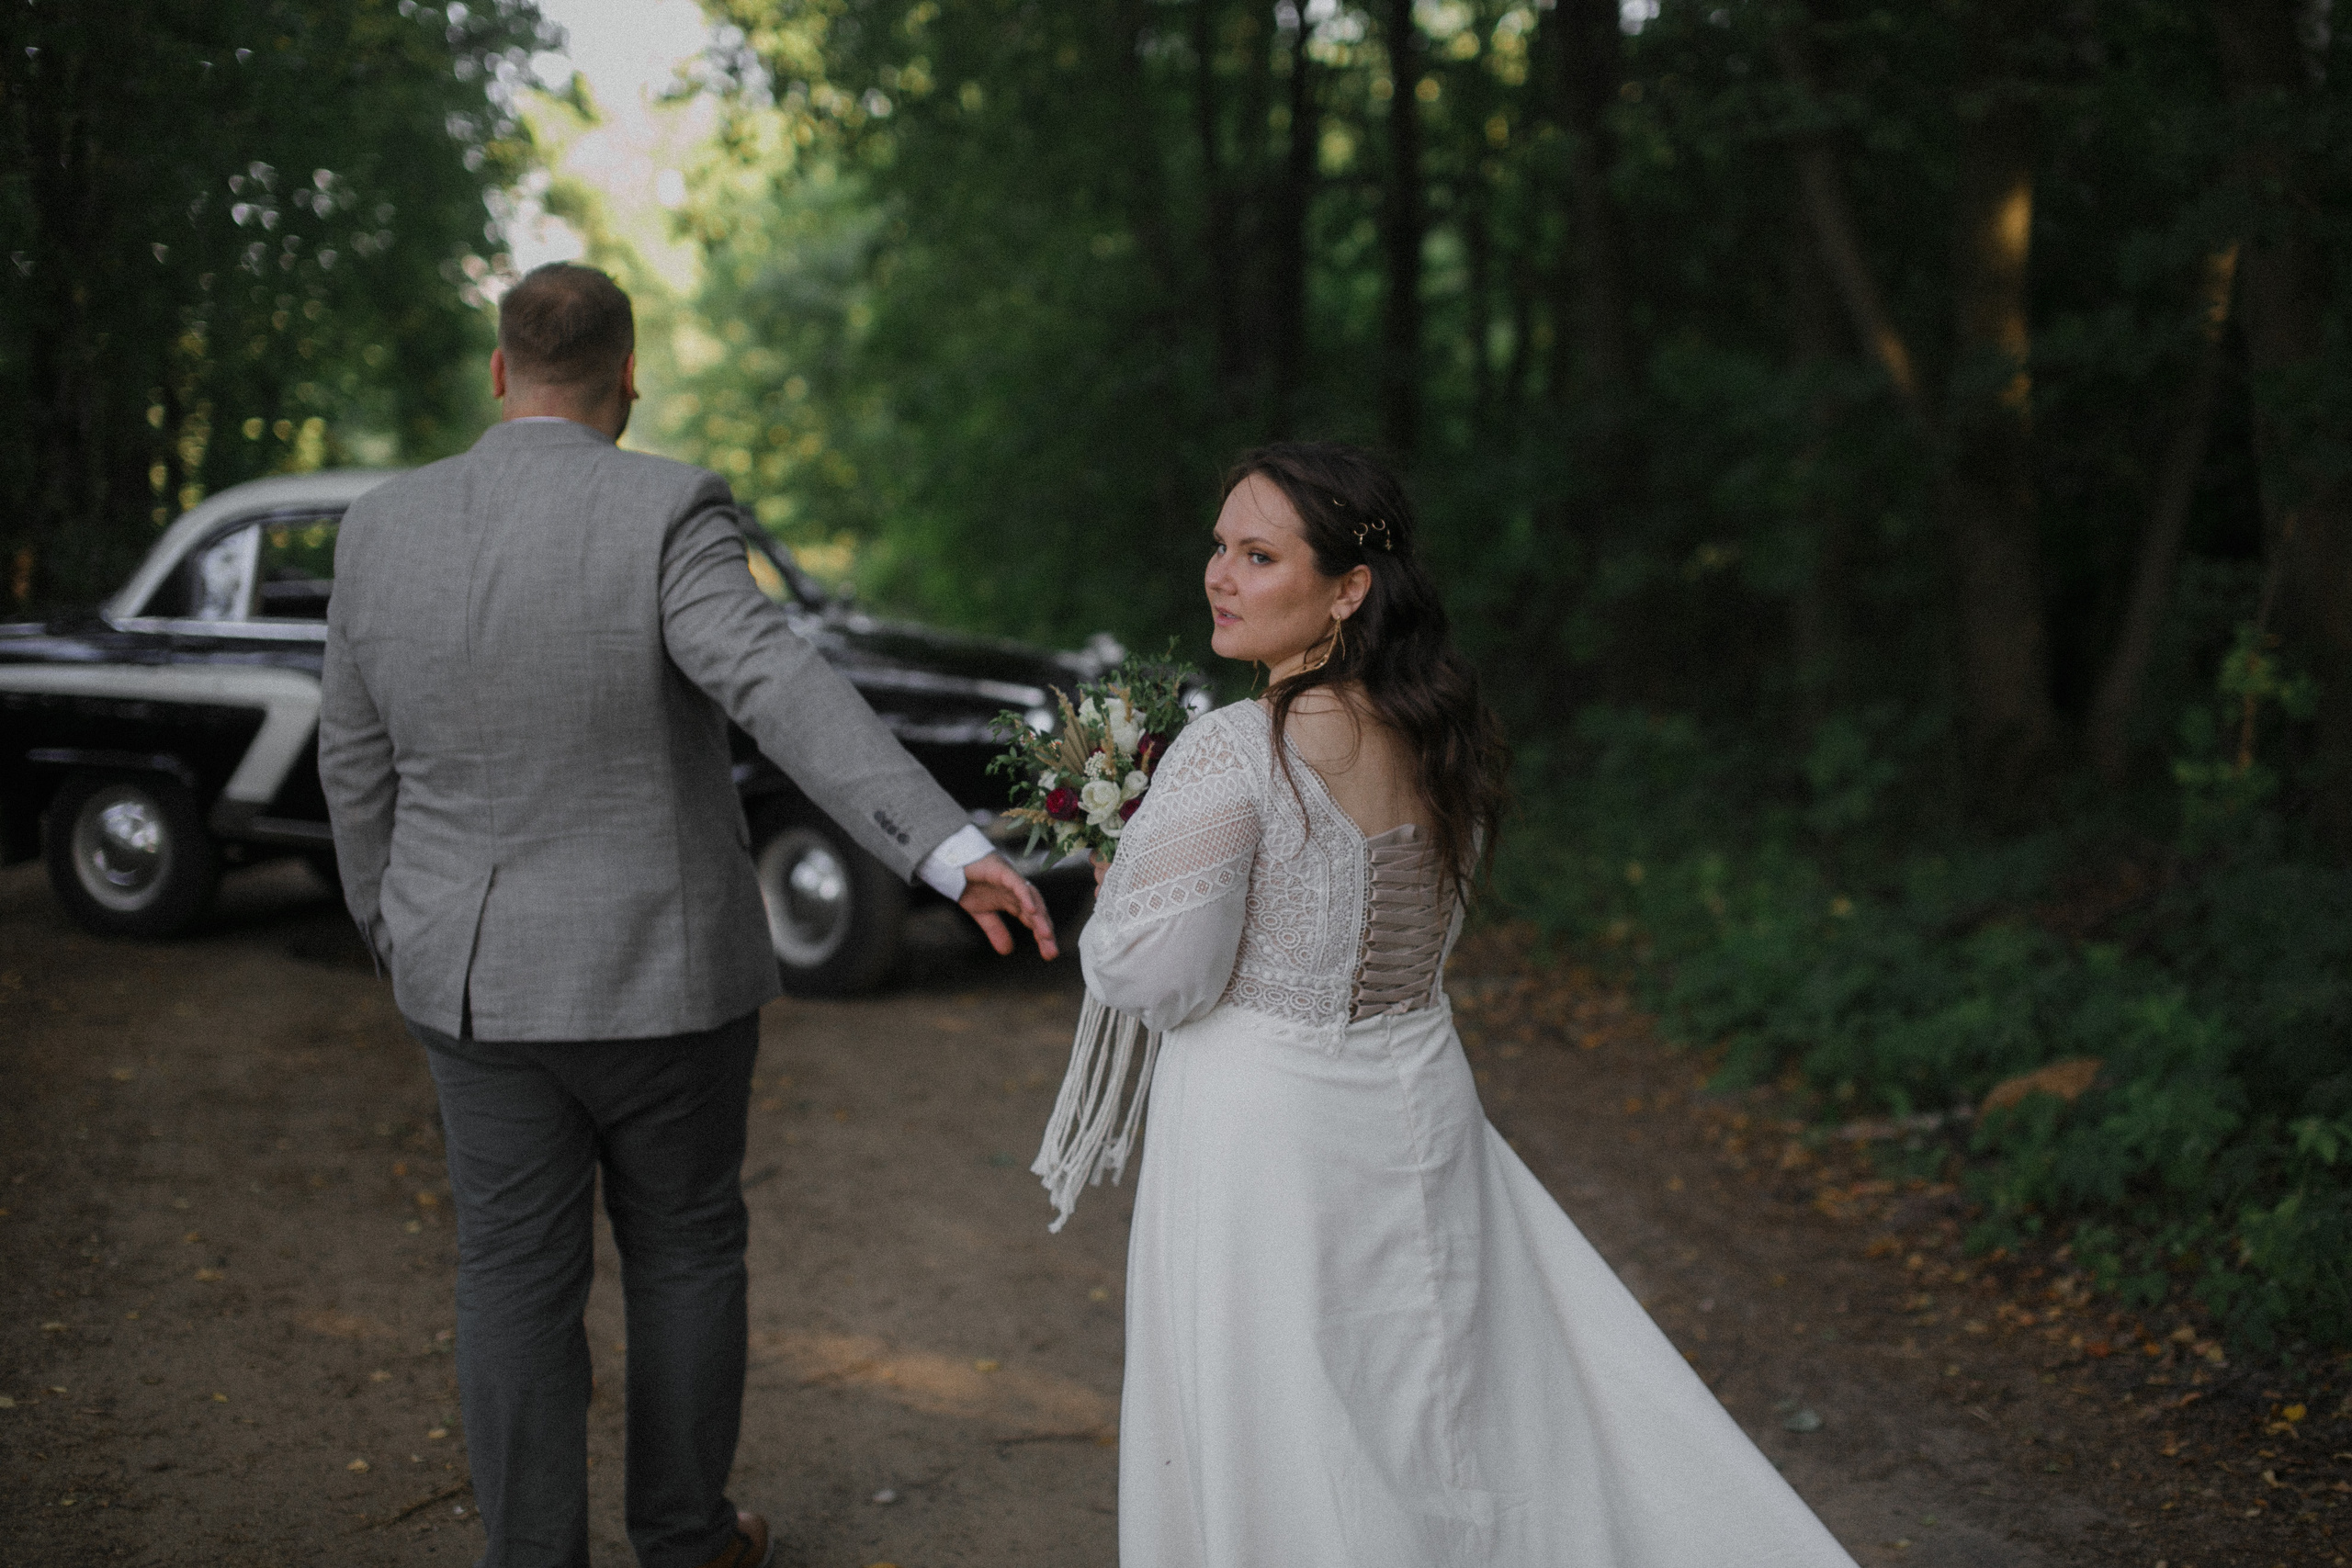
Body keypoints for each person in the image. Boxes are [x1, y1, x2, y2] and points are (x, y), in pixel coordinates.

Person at [319, 262, 1057, 1568]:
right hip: (662, 978)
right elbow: (779, 681)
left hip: (472, 982)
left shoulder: (382, 526)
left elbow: (353, 764)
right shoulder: (666, 508)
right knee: (685, 1247)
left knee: (508, 1273)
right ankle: (685, 1535)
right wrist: (944, 845)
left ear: (500, 371)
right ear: (629, 374)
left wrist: (401, 929)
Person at [1071, 442, 1860, 1565]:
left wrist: (1123, 891)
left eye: (1257, 554)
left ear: (1347, 589)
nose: (1220, 575)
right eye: (1218, 547)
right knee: (1441, 1411)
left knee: (1297, 1426)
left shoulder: (1236, 751)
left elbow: (1157, 975)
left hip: (1269, 1141)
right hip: (1417, 1105)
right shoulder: (1435, 739)